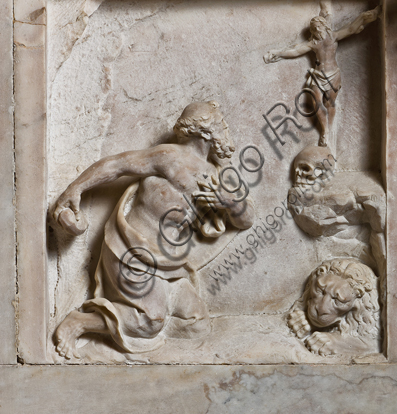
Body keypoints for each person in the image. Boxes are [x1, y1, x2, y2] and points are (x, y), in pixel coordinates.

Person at [52, 100, 255, 359]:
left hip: (170, 261)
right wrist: (75, 189)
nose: (226, 130)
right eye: (221, 125)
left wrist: (231, 203)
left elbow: (247, 219)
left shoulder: (216, 174)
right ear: (206, 131)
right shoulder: (169, 157)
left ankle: (166, 373)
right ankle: (79, 322)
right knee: (150, 321)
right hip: (132, 250)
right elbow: (116, 165)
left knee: (197, 323)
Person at [264, 0, 380, 147]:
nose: (316, 31)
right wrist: (277, 52)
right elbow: (296, 50)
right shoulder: (314, 43)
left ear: (324, 26)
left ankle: (329, 129)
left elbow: (352, 28)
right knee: (315, 102)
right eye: (313, 29)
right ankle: (324, 131)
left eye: (317, 27)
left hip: (333, 75)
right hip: (318, 75)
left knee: (329, 103)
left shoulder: (333, 37)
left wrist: (367, 16)